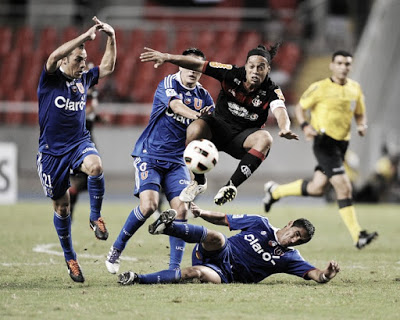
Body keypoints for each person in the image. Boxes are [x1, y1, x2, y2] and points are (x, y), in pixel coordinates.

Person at [140, 44, 299, 206]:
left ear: (268, 69)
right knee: (194, 128)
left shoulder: (272, 89)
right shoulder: (230, 73)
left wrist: (285, 127)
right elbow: (197, 65)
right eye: (251, 66)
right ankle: (199, 182)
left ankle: (230, 187)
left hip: (241, 138)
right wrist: (167, 57)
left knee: (265, 138)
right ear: (246, 66)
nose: (255, 71)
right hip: (216, 131)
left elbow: (280, 110)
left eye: (261, 67)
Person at [105, 48, 214, 274]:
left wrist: (195, 180)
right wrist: (198, 116)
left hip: (176, 162)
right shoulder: (168, 83)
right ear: (179, 66)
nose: (193, 72)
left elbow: (200, 142)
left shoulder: (205, 97)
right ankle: (116, 250)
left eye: (198, 68)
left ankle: (173, 270)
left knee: (181, 212)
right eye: (188, 66)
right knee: (149, 206)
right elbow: (175, 106)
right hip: (149, 155)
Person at [262, 50, 378, 249]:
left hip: (342, 145)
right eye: (339, 63)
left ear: (350, 67)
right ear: (332, 65)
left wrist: (361, 125)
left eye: (347, 64)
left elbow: (360, 114)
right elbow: (300, 108)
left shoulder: (355, 89)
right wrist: (306, 126)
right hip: (324, 142)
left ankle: (275, 191)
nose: (343, 67)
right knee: (344, 186)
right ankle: (358, 235)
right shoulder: (320, 88)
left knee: (317, 188)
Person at [36, 17, 116, 283]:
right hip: (51, 153)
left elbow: (107, 66)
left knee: (96, 167)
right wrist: (84, 37)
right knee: (62, 208)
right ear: (64, 62)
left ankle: (95, 217)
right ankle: (70, 257)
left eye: (84, 60)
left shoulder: (84, 79)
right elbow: (53, 55)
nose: (83, 65)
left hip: (79, 143)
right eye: (78, 60)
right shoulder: (50, 79)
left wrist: (111, 37)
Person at [117, 203, 340, 285]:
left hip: (225, 275)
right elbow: (225, 219)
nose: (294, 240)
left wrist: (327, 274)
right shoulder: (259, 222)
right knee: (218, 237)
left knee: (193, 273)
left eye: (300, 240)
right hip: (218, 252)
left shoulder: (290, 258)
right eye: (296, 233)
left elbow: (316, 276)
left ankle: (137, 279)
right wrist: (202, 212)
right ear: (290, 224)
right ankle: (168, 227)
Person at [68, 62, 106, 219]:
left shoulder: (92, 92)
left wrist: (97, 117)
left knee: (91, 174)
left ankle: (72, 204)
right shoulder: (73, 89)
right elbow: (75, 111)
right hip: (76, 138)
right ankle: (72, 205)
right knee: (89, 174)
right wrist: (88, 111)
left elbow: (89, 113)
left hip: (86, 136)